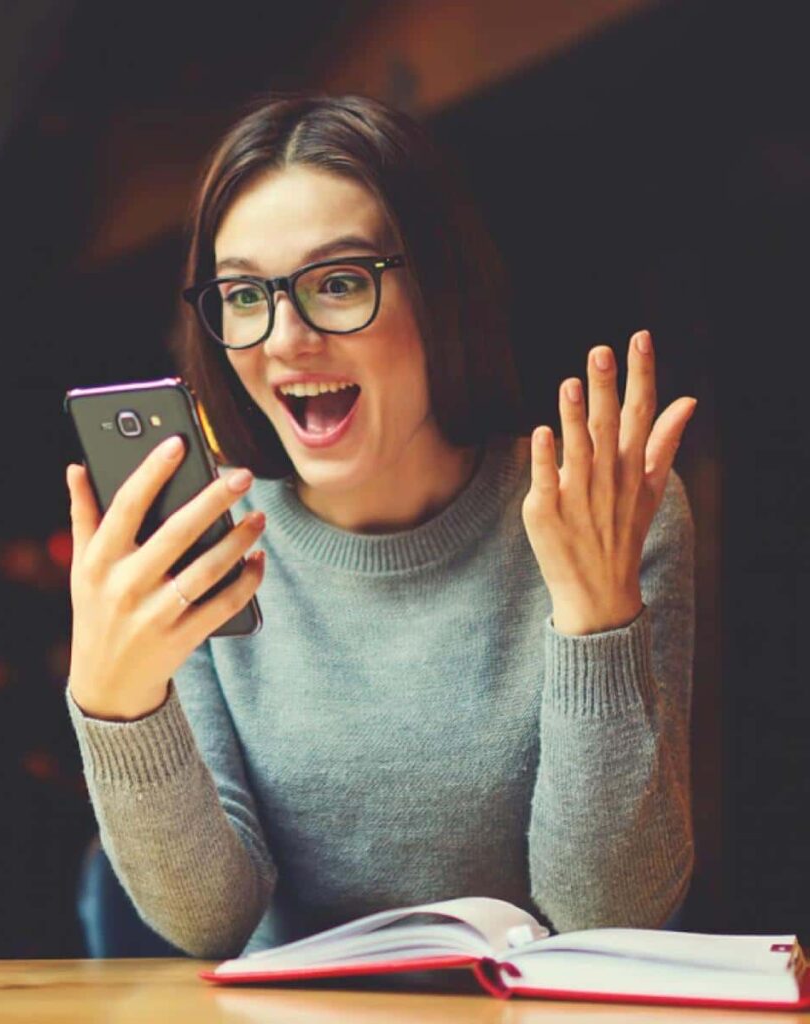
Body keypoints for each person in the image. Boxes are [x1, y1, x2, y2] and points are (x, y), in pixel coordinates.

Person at [63, 93, 698, 959]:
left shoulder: (605, 512)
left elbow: (610, 913)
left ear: (439, 288)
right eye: (245, 294)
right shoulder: (209, 542)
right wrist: (116, 704)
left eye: (337, 283)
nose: (285, 339)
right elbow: (210, 920)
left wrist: (596, 623)